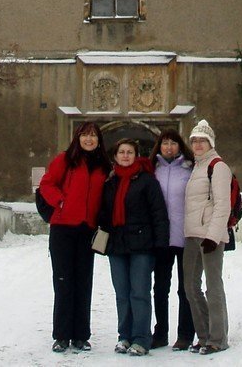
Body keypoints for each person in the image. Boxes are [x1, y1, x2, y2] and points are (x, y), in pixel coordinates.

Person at [38, 121, 111, 354]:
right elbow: (46, 184)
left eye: (93, 136)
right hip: (63, 228)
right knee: (63, 281)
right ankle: (61, 335)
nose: (89, 140)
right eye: (85, 135)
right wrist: (61, 201)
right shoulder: (65, 160)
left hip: (86, 229)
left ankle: (81, 335)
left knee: (83, 282)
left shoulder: (102, 165)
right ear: (78, 137)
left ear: (99, 140)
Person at [98, 138, 169, 357]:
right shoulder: (110, 183)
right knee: (122, 293)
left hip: (142, 245)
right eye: (122, 152)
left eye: (130, 152)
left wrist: (160, 243)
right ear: (116, 156)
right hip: (117, 246)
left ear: (136, 155)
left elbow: (159, 213)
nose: (126, 155)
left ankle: (141, 338)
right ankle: (124, 336)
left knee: (139, 292)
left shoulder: (147, 181)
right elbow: (103, 214)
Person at [183, 120, 231, 355]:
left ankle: (218, 338)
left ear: (210, 142)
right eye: (194, 141)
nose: (198, 144)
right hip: (192, 235)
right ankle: (203, 336)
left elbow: (223, 205)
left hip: (210, 236)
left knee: (213, 287)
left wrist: (213, 236)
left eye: (202, 140)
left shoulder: (217, 166)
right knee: (190, 287)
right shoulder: (196, 167)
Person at [150, 130, 196, 351]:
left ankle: (186, 334)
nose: (168, 147)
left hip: (185, 236)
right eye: (165, 143)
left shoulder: (190, 169)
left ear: (180, 146)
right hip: (161, 238)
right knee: (160, 288)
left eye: (173, 143)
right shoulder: (152, 170)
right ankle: (160, 333)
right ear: (159, 146)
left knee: (186, 288)